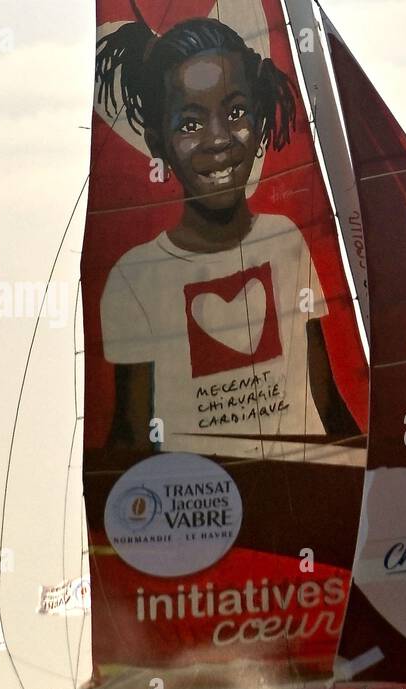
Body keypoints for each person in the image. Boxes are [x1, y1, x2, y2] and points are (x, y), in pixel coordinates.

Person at [94, 8, 356, 460]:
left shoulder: (286, 241)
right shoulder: (134, 277)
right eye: (190, 124)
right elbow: (131, 438)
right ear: (158, 143)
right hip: (200, 518)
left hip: (312, 506)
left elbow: (329, 405)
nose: (219, 139)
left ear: (257, 121)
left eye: (236, 112)